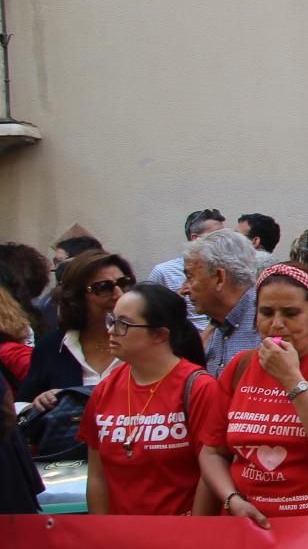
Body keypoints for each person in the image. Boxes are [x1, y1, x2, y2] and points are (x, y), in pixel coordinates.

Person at [199, 264, 308, 521]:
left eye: (291, 313)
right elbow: (213, 451)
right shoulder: (240, 366)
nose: (277, 324)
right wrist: (231, 499)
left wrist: (292, 380)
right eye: (266, 312)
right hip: (252, 526)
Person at [80, 284, 223, 515]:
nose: (111, 331)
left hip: (179, 538)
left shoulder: (199, 388)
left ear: (160, 334)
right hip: (122, 539)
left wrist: (197, 531)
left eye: (123, 324)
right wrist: (102, 532)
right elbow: (97, 475)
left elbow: (211, 472)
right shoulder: (106, 388)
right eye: (112, 320)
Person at [21, 249, 135, 408]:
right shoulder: (52, 346)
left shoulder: (147, 339)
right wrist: (39, 402)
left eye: (123, 283)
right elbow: (21, 406)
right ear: (77, 297)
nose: (119, 294)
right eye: (103, 287)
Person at [180, 228, 263, 375]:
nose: (184, 289)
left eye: (190, 276)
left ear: (219, 278)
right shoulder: (217, 325)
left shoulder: (266, 324)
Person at [148, 209, 226, 331]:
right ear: (196, 238)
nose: (224, 241)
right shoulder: (163, 271)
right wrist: (175, 301)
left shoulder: (227, 270)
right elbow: (149, 314)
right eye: (216, 236)